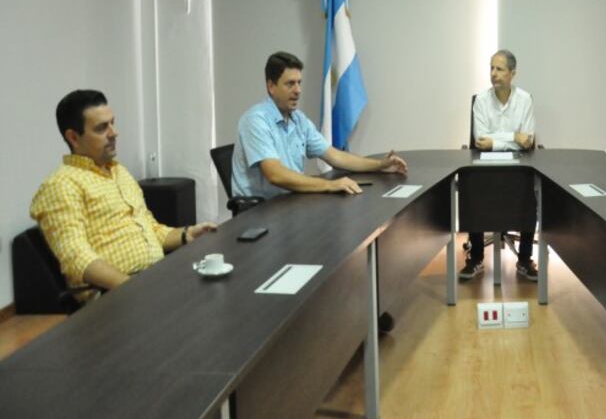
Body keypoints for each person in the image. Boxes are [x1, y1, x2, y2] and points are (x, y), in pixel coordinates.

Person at [30, 90, 217, 301]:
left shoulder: (119, 172)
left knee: (221, 288)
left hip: (153, 280)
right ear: (73, 137)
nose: (113, 133)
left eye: (112, 123)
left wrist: (187, 234)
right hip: (114, 297)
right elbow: (77, 258)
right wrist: (135, 288)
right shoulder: (61, 185)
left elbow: (151, 229)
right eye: (102, 128)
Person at [231, 51, 407, 199]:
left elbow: (335, 156)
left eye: (299, 83)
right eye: (290, 84)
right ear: (271, 86)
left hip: (290, 202)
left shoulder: (298, 120)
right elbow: (275, 175)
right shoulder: (255, 120)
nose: (298, 90)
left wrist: (380, 165)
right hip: (260, 213)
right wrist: (329, 185)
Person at [460, 49, 538, 281]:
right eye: (491, 68)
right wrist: (514, 137)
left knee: (527, 190)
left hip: (518, 165)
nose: (493, 73)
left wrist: (497, 140)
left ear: (513, 73)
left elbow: (528, 140)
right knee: (471, 186)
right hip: (486, 165)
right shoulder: (481, 101)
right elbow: (481, 141)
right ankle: (476, 258)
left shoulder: (525, 100)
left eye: (499, 69)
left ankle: (524, 260)